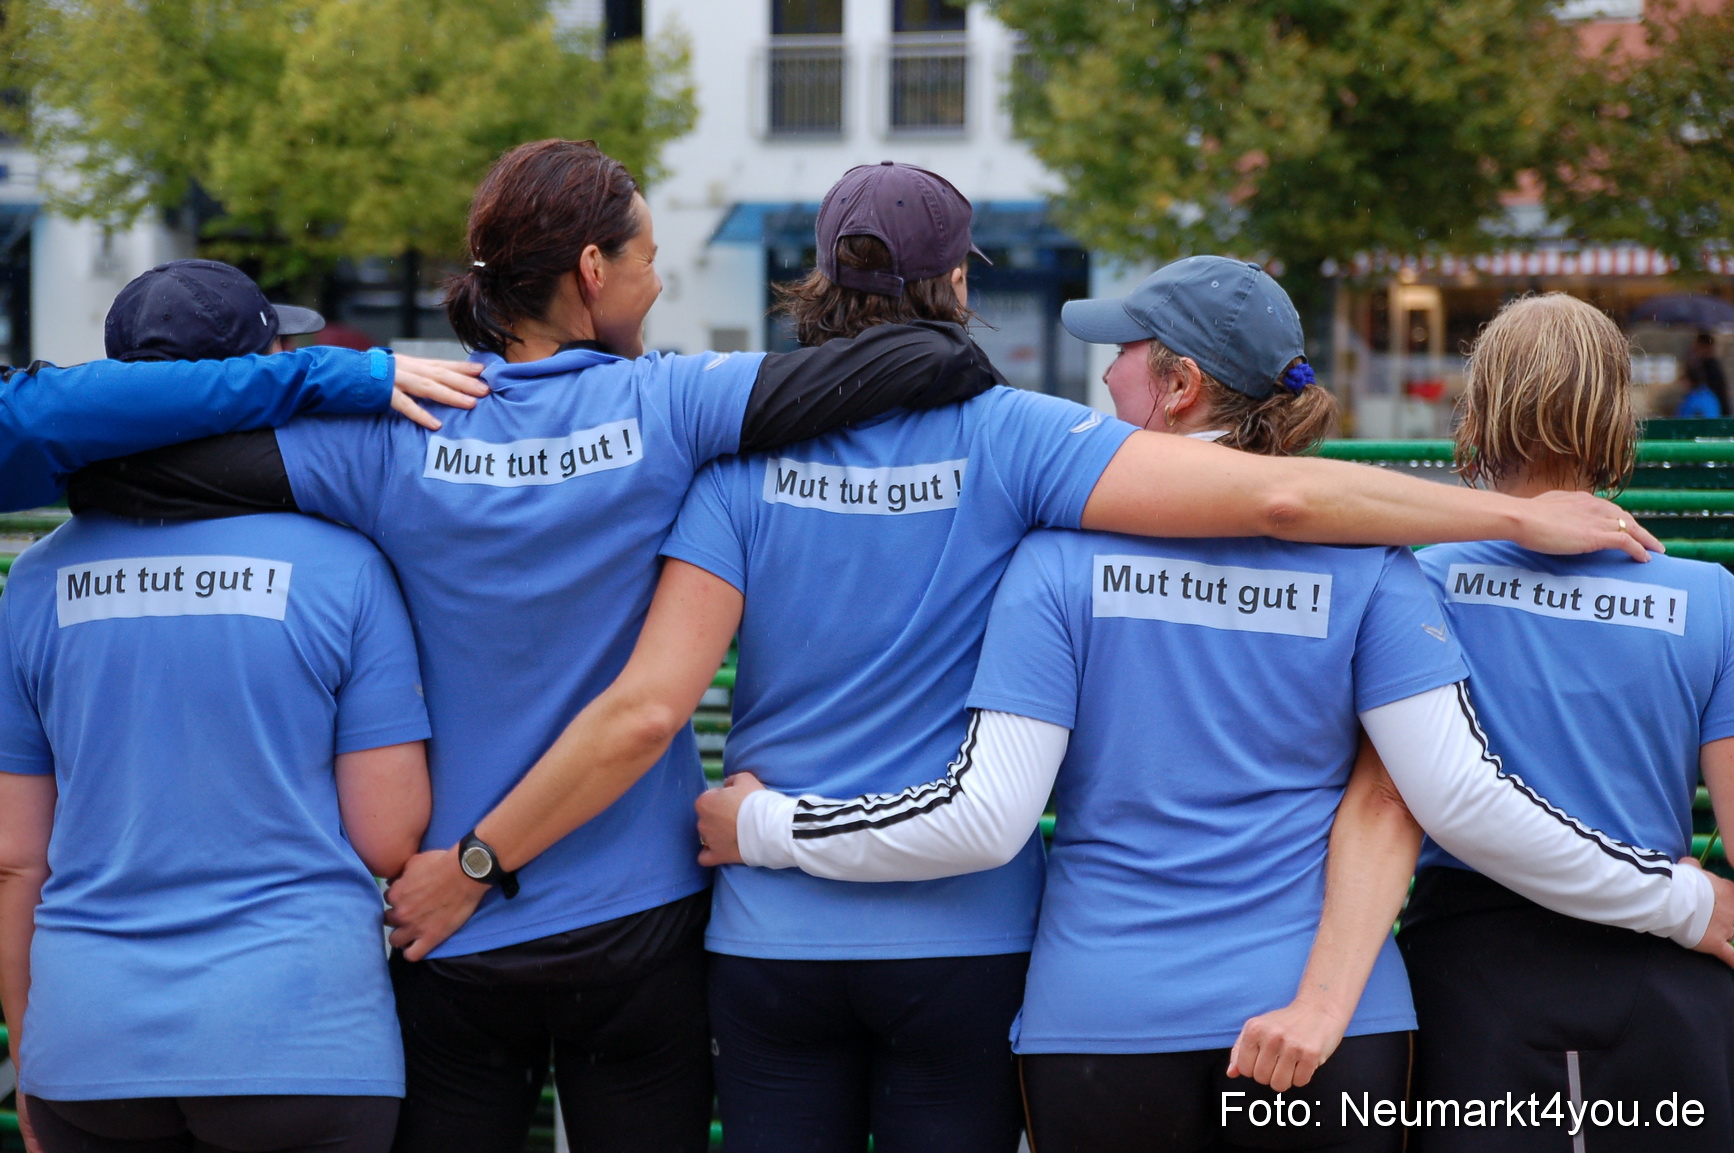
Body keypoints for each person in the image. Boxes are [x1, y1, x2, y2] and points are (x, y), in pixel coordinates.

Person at [377, 160, 1681, 1151]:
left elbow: (654, 702)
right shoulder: (1027, 454)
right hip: (987, 948)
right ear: (956, 288)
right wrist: (1511, 513)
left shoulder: (744, 466)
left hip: (809, 944)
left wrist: (691, 835)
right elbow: (1284, 515)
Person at [64, 140, 1017, 1153]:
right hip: (639, 922)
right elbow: (908, 365)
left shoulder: (396, 426)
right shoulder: (668, 402)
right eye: (647, 257)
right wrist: (959, 340)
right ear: (594, 273)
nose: (660, 281)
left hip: (445, 920)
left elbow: (126, 470)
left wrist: (339, 380)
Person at [678, 266, 1734, 1153]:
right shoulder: (1375, 566)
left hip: (1103, 1020)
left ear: (1179, 385)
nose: (1102, 372)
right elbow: (1434, 791)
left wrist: (767, 824)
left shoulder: (1055, 562)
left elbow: (990, 809)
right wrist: (1684, 900)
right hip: (1331, 1024)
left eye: (1125, 353)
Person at [0, 260, 435, 1153]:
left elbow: (15, 859)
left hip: (89, 1042)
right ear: (254, 374)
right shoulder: (347, 567)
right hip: (303, 1039)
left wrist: (32, 1055)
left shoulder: (33, 580)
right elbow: (388, 836)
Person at [1401, 295, 1734, 1152]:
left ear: (1479, 414)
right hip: (1666, 979)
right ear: (1617, 418)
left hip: (1465, 980)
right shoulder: (1711, 597)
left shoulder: (1417, 583)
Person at [0, 265, 487, 512]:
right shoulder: (344, 562)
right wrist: (325, 376)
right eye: (283, 344)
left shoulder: (35, 579)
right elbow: (41, 417)